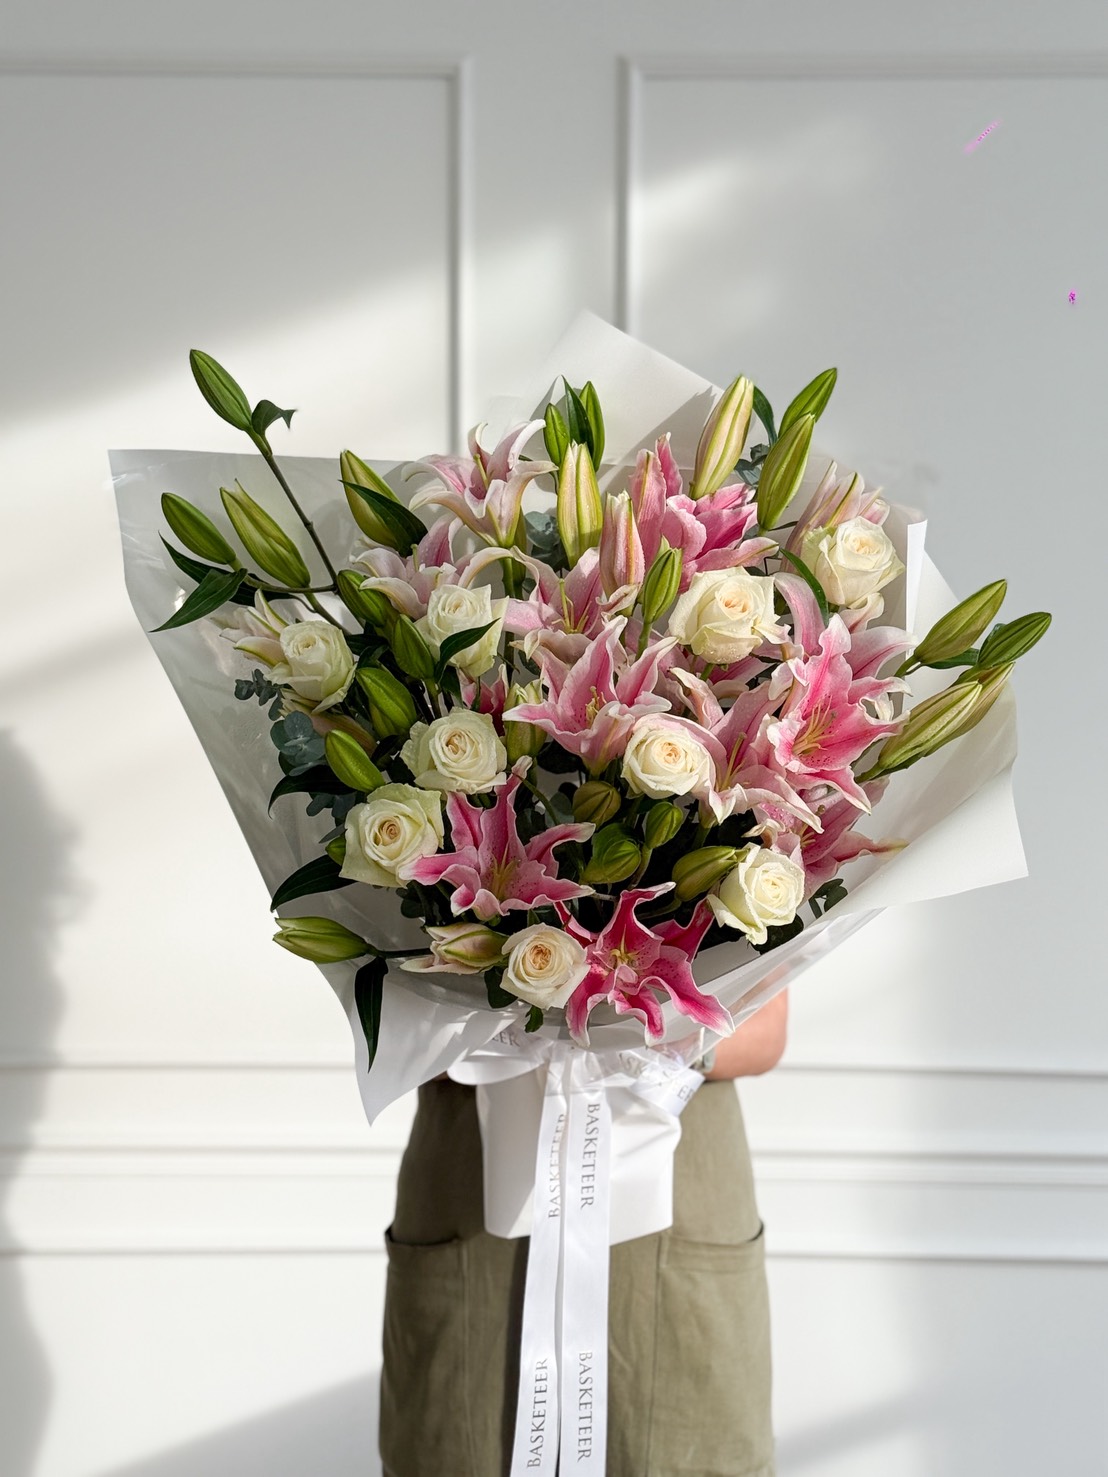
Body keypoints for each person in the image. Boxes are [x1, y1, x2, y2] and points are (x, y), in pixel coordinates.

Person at [379, 990, 788, 1477]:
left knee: (684, 1442)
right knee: (460, 1446)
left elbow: (766, 1032)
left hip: (680, 1183)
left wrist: (642, 1042)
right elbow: (393, 1031)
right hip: (475, 1180)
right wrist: (519, 1035)